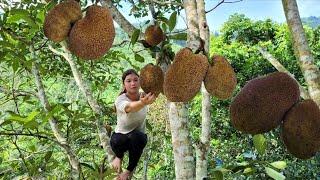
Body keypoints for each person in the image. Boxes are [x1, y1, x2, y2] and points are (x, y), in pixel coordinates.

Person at [110, 69, 157, 180]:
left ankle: (128, 171)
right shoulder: (120, 100)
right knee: (116, 140)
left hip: (136, 139)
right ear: (124, 84)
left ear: (140, 82)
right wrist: (143, 103)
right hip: (121, 139)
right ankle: (119, 156)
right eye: (129, 81)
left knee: (138, 137)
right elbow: (129, 107)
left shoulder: (144, 95)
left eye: (136, 80)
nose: (133, 83)